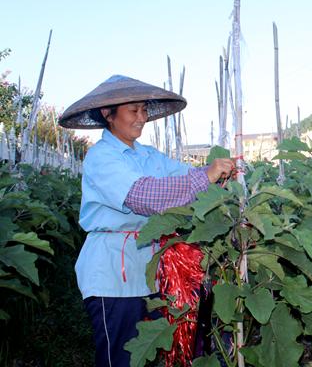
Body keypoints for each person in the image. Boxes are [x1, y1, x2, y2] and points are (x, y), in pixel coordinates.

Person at [59, 75, 235, 366]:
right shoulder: (101, 157)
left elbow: (185, 176)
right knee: (120, 358)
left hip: (150, 273)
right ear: (108, 114)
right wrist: (206, 177)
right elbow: (143, 196)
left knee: (149, 355)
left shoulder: (148, 155)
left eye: (143, 110)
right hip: (111, 274)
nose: (142, 117)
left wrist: (219, 174)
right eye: (133, 110)